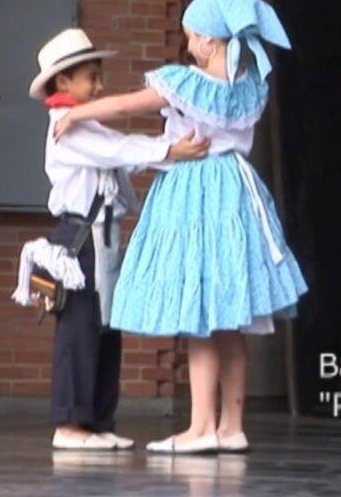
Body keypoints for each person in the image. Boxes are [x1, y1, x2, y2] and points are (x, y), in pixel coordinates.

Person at [54, 0, 308, 454]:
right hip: (237, 189)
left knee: (200, 310)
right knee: (231, 314)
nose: (188, 44)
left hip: (195, 190)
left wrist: (77, 113)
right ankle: (233, 426)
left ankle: (200, 427)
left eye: (192, 35)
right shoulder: (249, 83)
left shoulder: (186, 82)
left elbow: (129, 104)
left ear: (209, 41)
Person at [15, 27, 210, 450]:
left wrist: (166, 152)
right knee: (79, 329)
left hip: (103, 235)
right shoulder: (66, 127)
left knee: (105, 328)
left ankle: (98, 420)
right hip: (79, 237)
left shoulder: (89, 126)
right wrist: (169, 150)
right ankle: (69, 424)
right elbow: (120, 151)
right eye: (91, 76)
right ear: (63, 82)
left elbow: (120, 160)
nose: (99, 85)